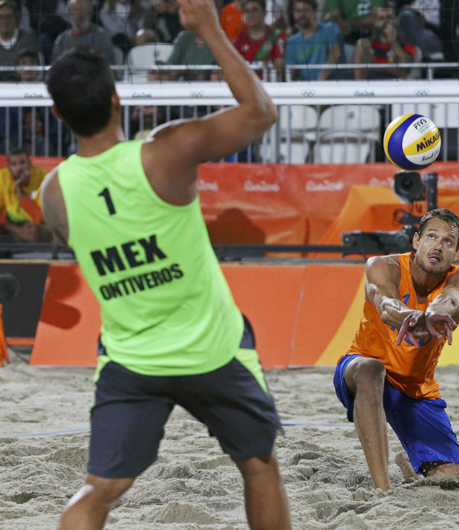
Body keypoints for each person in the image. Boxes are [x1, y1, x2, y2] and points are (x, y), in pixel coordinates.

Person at [38, 0, 289, 526]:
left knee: (99, 489)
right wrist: (211, 32)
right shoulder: (164, 152)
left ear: (56, 113)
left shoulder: (54, 190)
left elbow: (78, 242)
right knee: (259, 465)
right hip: (212, 349)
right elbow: (262, 112)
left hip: (131, 360)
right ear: (116, 96)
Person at [333, 209, 459, 491]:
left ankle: (410, 465)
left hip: (416, 389)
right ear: (416, 241)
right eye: (431, 237)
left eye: (447, 242)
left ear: (457, 253)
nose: (438, 246)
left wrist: (432, 314)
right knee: (370, 369)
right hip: (361, 370)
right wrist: (411, 316)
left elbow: (450, 302)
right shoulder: (382, 266)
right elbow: (387, 305)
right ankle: (382, 488)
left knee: (454, 477)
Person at [0, 147, 50, 242]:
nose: (19, 168)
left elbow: (40, 218)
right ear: (8, 167)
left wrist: (20, 191)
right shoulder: (2, 178)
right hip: (12, 225)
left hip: (38, 226)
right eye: (14, 164)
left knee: (34, 232)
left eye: (22, 163)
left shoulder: (44, 179)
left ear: (30, 163)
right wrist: (17, 229)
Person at [284, 0, 343, 80]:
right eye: (298, 11)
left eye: (306, 10)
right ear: (293, 15)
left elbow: (335, 54)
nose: (302, 14)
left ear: (314, 12)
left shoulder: (330, 28)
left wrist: (321, 78)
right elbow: (289, 70)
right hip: (302, 88)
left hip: (331, 86)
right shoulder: (292, 41)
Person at [353, 6, 414, 80]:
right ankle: (358, 88)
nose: (386, 21)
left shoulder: (406, 43)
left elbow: (405, 69)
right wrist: (385, 68)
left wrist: (392, 42)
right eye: (381, 18)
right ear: (376, 23)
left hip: (396, 86)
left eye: (389, 17)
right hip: (372, 84)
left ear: (396, 21)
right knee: (361, 44)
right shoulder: (368, 45)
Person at [51, 0, 117, 64]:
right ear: (69, 13)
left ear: (90, 12)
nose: (80, 14)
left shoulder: (102, 36)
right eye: (76, 10)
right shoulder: (62, 39)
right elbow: (56, 66)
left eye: (83, 9)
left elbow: (108, 64)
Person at [233, 0, 287, 78]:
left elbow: (279, 64)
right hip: (246, 84)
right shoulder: (239, 38)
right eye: (247, 11)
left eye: (255, 10)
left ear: (265, 13)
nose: (251, 14)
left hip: (269, 84)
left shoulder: (277, 35)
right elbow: (233, 64)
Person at [0, 0, 40, 81]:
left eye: (8, 16)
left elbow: (36, 69)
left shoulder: (28, 39)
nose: (5, 21)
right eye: (1, 17)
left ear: (16, 18)